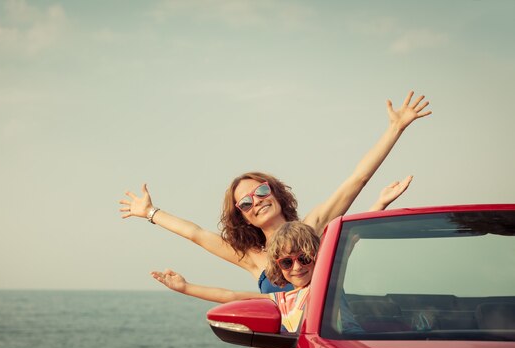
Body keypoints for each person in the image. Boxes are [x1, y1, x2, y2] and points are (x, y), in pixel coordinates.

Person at [121, 91, 430, 293]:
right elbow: (197, 234)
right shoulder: (253, 257)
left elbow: (357, 179)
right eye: (244, 203)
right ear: (243, 218)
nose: (255, 201)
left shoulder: (313, 226)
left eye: (261, 191)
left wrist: (395, 128)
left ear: (277, 194)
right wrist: (150, 212)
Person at [152, 221, 322, 333]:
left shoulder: (326, 290)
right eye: (287, 262)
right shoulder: (281, 300)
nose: (297, 267)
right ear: (279, 267)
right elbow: (231, 296)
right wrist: (185, 287)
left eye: (304, 258)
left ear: (317, 255)